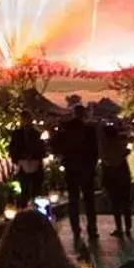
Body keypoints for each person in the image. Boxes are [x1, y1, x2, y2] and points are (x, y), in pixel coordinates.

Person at [50, 104, 100, 249]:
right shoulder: (89, 130)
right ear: (83, 114)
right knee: (89, 200)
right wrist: (92, 164)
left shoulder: (66, 129)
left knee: (74, 200)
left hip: (72, 169)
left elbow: (55, 144)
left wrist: (64, 158)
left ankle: (76, 229)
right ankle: (92, 229)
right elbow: (95, 150)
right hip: (86, 169)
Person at [99, 124, 134, 239]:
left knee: (115, 203)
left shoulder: (104, 147)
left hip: (111, 177)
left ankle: (119, 228)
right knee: (125, 202)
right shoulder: (120, 145)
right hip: (123, 176)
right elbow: (126, 152)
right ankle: (128, 227)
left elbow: (105, 161)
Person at [7, 115, 46, 204]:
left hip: (35, 163)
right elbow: (13, 148)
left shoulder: (36, 134)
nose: (26, 122)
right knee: (24, 189)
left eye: (28, 120)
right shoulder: (17, 134)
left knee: (36, 189)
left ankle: (35, 210)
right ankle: (25, 209)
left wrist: (33, 155)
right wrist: (21, 156)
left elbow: (41, 148)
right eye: (24, 120)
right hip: (22, 164)